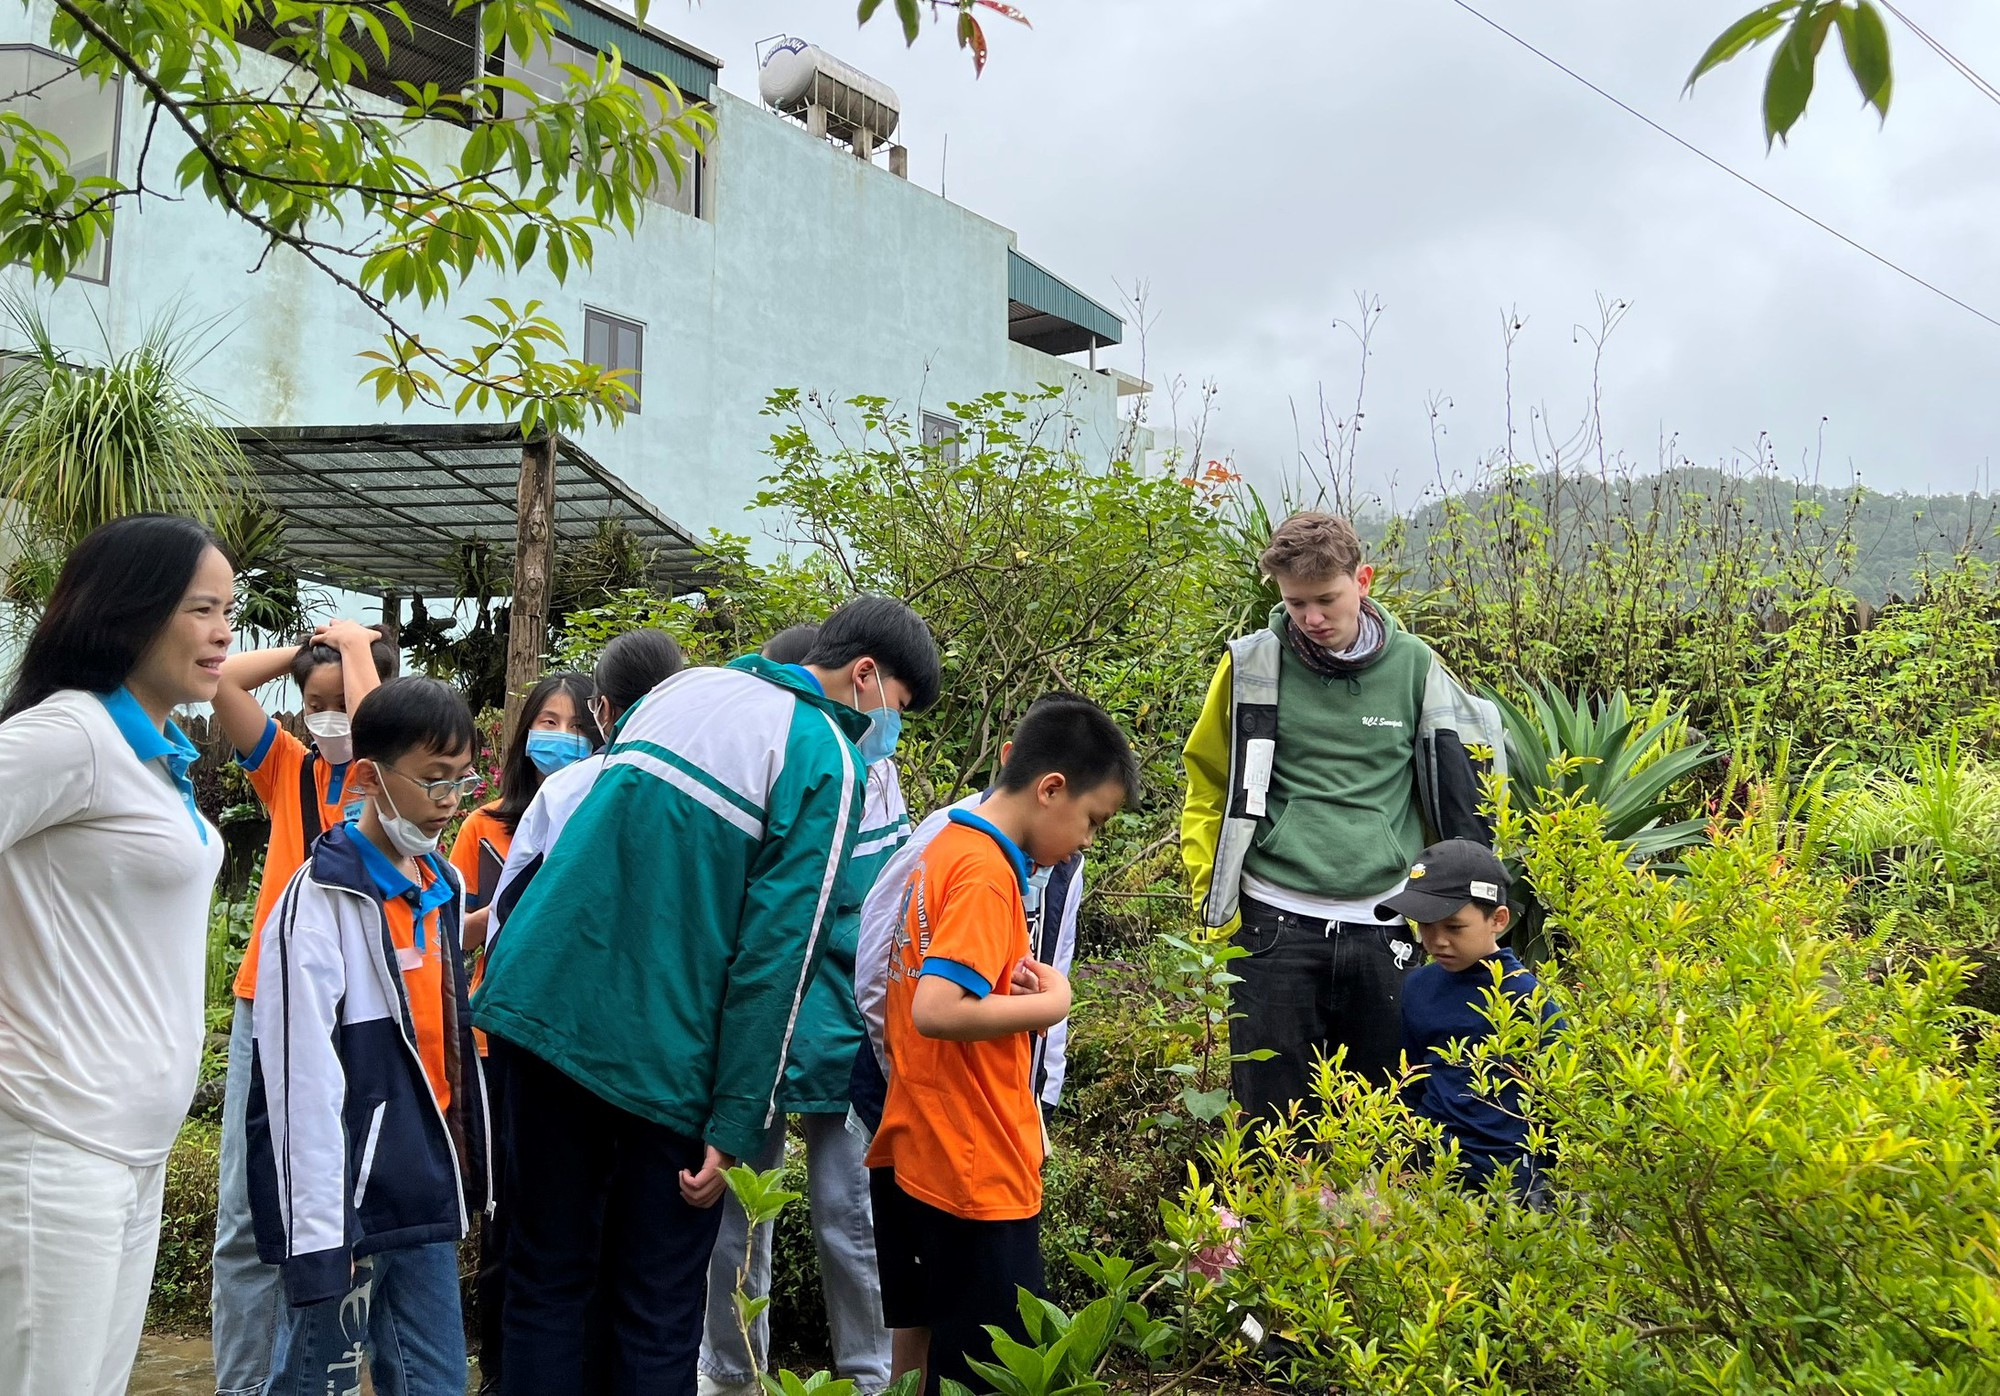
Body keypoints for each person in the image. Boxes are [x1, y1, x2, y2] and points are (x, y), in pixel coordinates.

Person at [475, 595, 940, 1395]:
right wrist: (735, 1124)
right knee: (656, 1305)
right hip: (659, 1053)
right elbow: (775, 958)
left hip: (534, 1011)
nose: (887, 730)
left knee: (545, 1282)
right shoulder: (824, 753)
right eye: (895, 707)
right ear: (865, 675)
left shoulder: (683, 693)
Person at [0, 514, 232, 1396]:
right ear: (129, 612)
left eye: (229, 610)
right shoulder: (72, 736)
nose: (222, 634)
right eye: (201, 609)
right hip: (55, 1141)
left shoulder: (149, 753)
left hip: (132, 1152)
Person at [1180, 510, 1506, 1123]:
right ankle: (1271, 1221)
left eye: (1326, 599)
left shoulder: (1416, 666)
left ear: (1364, 580)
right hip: (1272, 922)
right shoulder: (1252, 665)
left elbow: (1467, 778)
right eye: (1296, 603)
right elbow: (1207, 783)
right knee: (1268, 1123)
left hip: (1386, 923)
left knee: (1385, 1119)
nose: (1312, 618)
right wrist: (1210, 887)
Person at [866, 696, 1138, 1395]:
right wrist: (1053, 1002)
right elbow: (937, 1007)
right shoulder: (989, 875)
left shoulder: (946, 847)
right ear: (1052, 790)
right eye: (1091, 822)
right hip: (975, 1168)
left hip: (918, 1143)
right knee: (996, 1371)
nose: (1085, 843)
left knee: (928, 1357)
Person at [246, 676, 489, 1396]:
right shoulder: (317, 900)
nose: (448, 803)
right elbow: (299, 1081)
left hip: (421, 1191)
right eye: (431, 781)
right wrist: (321, 1236)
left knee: (436, 1382)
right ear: (367, 778)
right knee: (311, 1381)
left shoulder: (441, 887)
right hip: (348, 1206)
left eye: (461, 781)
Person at [476, 635, 683, 1396]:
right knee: (648, 1284)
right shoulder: (718, 804)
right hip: (666, 1066)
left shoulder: (567, 794)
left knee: (547, 1270)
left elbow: (509, 927)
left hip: (554, 1057)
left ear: (603, 711)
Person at [699, 622, 898, 1396]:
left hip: (841, 1026)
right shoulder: (757, 754)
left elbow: (874, 905)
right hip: (753, 1018)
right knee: (741, 1215)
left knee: (849, 1217)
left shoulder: (876, 774)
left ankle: (869, 1373)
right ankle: (732, 1370)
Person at [207, 619, 397, 1396]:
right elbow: (220, 682)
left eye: (341, 703)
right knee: (247, 1218)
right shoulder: (287, 768)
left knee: (351, 1209)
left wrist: (359, 651)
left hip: (363, 1013)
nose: (328, 720)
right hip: (270, 1006)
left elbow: (390, 735)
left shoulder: (388, 781)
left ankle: (318, 1376)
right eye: (313, 706)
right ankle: (244, 1385)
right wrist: (304, 652)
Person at [1379, 839, 1560, 1201]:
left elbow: (1556, 1104)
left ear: (1498, 919)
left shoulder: (1528, 998)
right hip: (1429, 1168)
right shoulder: (1418, 986)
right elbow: (1412, 1081)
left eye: (1454, 927)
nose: (1437, 941)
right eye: (1425, 926)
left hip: (1507, 1178)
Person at [451, 670, 600, 961]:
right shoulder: (482, 826)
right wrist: (503, 908)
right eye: (549, 722)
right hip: (498, 988)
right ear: (528, 732)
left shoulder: (600, 822)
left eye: (578, 726)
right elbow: (452, 934)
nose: (563, 735)